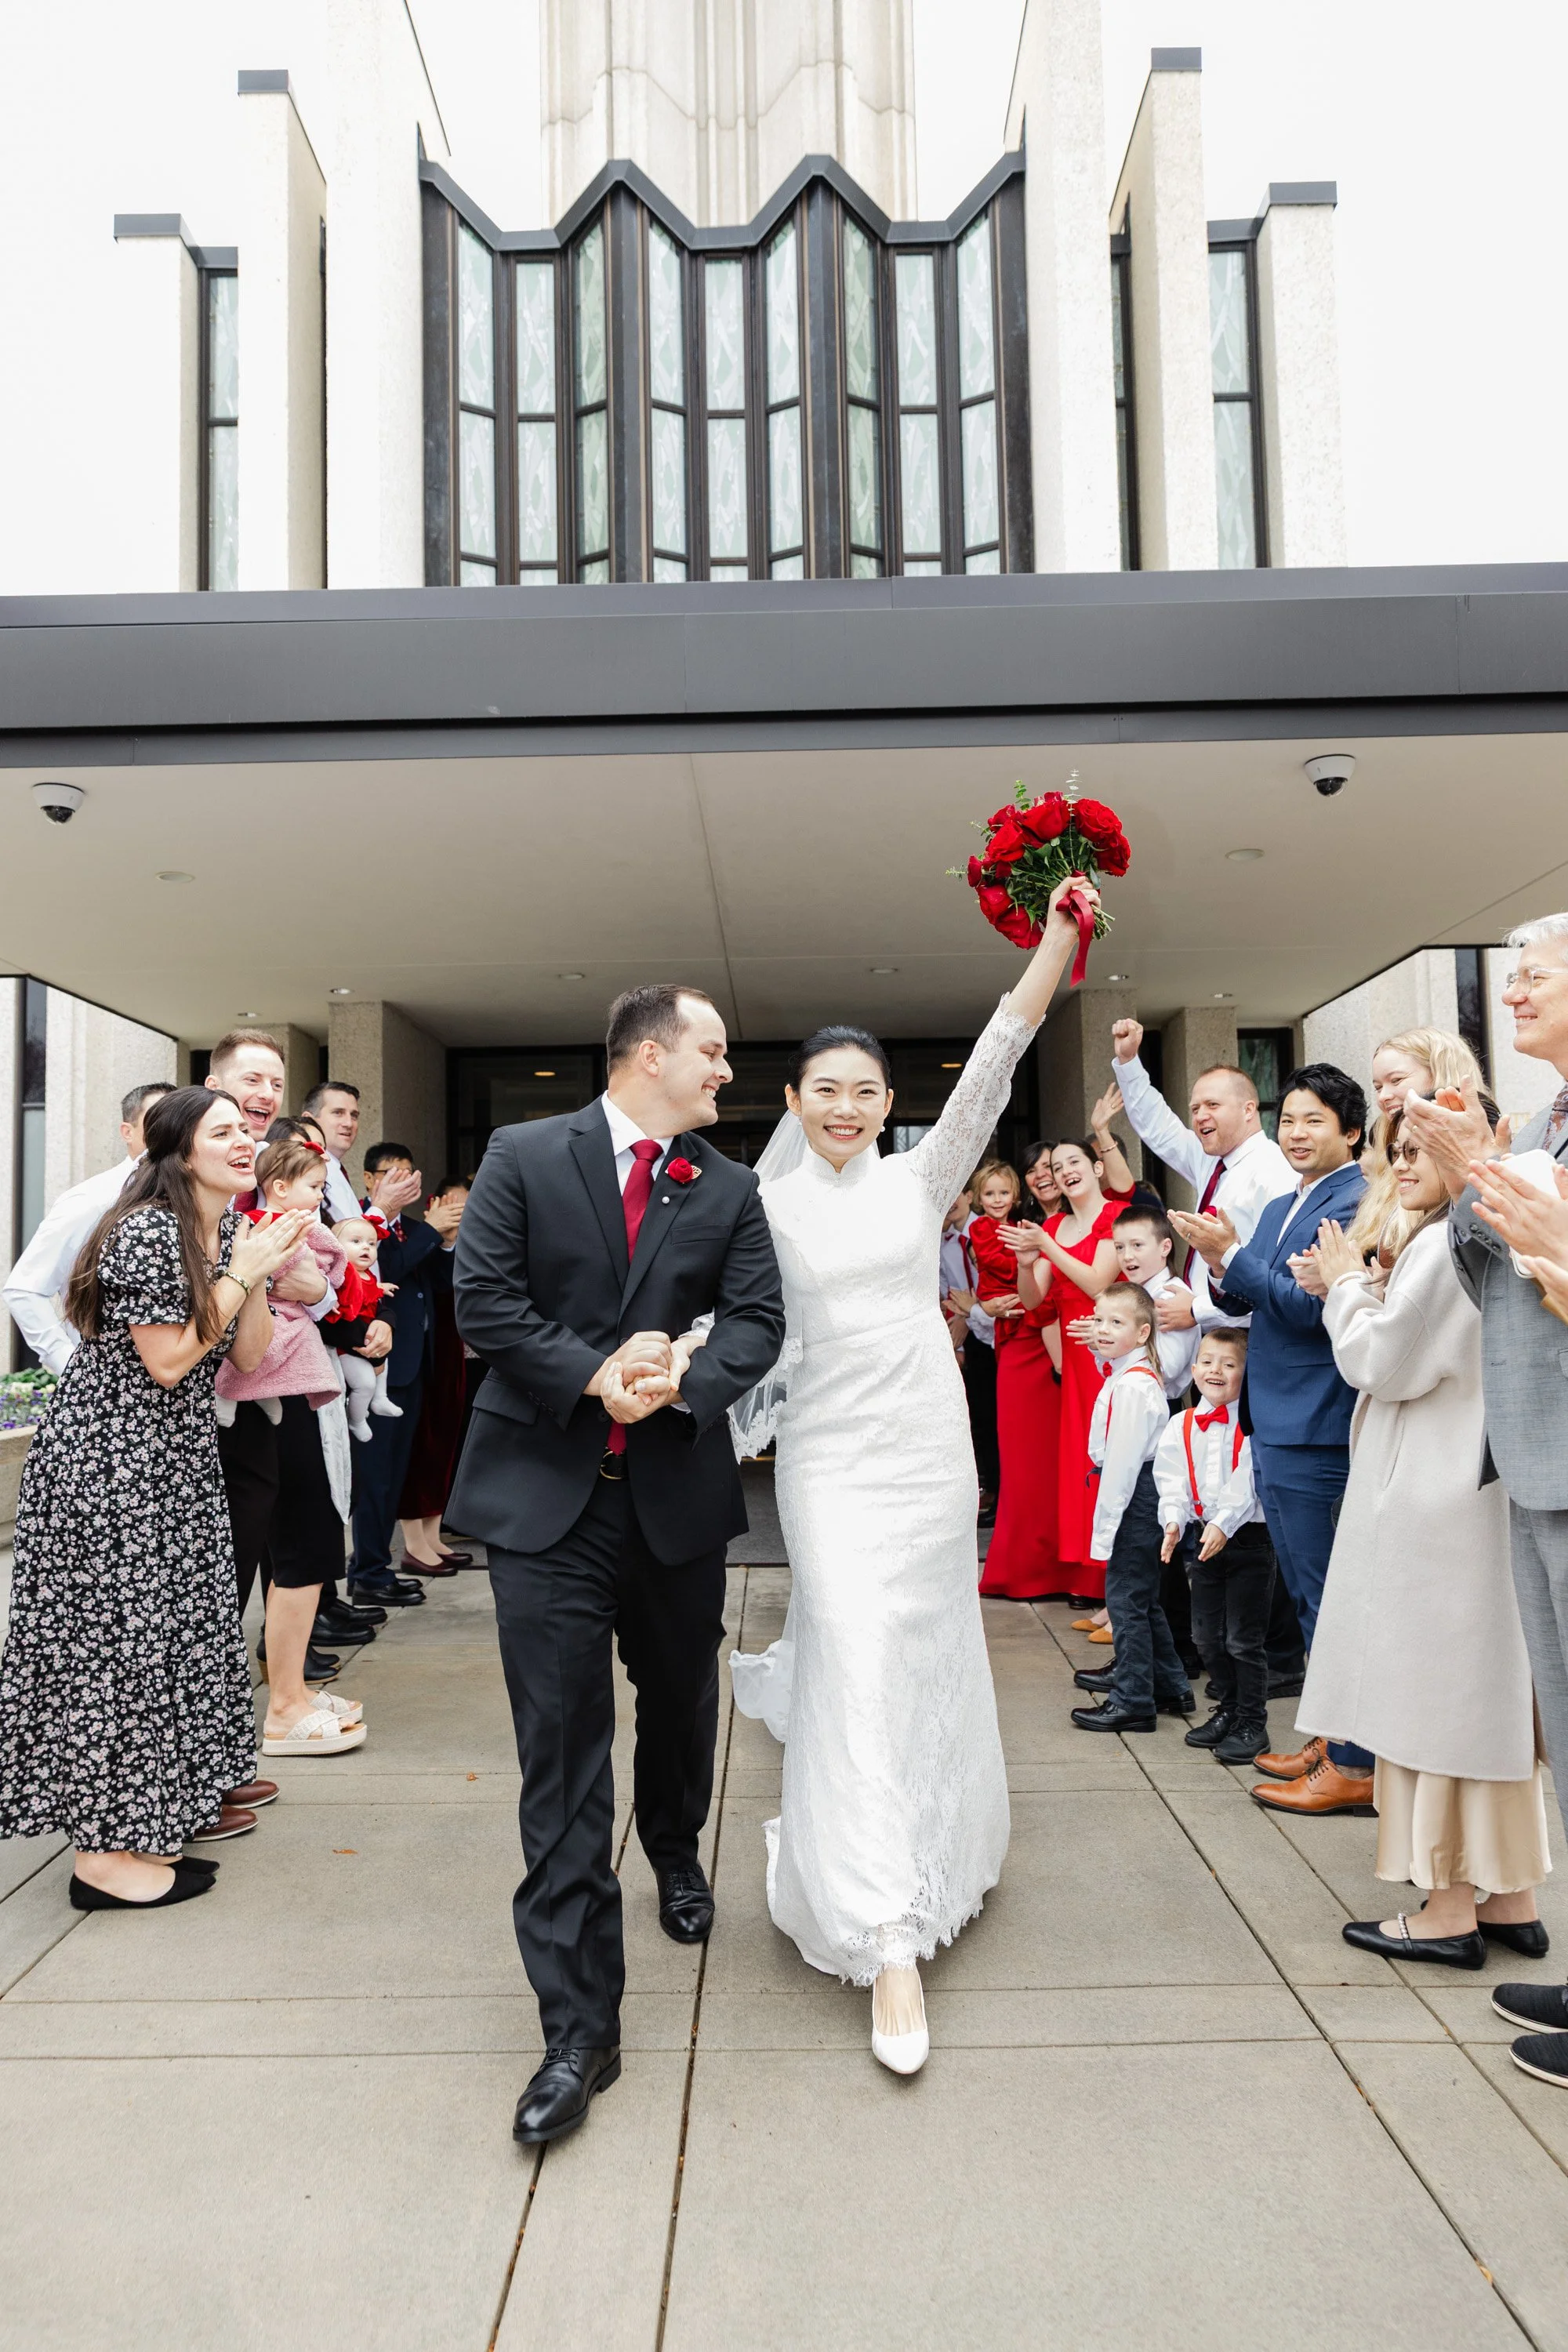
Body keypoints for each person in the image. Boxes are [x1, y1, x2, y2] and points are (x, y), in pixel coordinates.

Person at [728, 875, 1098, 2076]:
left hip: (931, 1461)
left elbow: (1002, 1050)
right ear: (792, 1102)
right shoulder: (761, 1207)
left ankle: (938, 1851)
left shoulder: (919, 1178)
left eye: (865, 1092)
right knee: (852, 1646)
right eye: (823, 1091)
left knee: (926, 1654)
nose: (845, 1108)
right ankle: (884, 1926)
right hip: (829, 1465)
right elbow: (729, 1327)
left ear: (889, 1103)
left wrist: (1057, 942)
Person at [448, 983, 786, 2146]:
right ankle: (579, 2032)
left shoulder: (729, 1186)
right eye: (712, 1053)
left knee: (682, 1703)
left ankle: (675, 1847)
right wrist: (599, 1375)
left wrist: (680, 1386)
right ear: (650, 1054)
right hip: (542, 1501)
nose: (722, 1073)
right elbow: (483, 1304)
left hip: (675, 1499)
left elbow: (755, 1321)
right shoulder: (525, 1153)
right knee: (561, 1755)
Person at [0, 1089, 309, 1907]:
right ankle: (100, 1863)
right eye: (224, 1133)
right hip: (108, 1465)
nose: (246, 1144)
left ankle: (153, 1815)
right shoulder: (143, 1233)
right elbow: (169, 1361)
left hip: (170, 1460)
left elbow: (246, 1353)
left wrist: (256, 1268)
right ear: (178, 1153)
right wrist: (242, 1270)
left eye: (248, 1132)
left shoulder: (224, 1230)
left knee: (175, 1640)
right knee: (116, 1652)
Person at [1297, 1125, 1549, 1971]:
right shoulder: (1490, 1227)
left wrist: (1340, 1289)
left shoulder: (1448, 1242)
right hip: (1477, 1490)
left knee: (1426, 1705)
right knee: (1485, 1705)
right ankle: (1509, 1895)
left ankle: (1446, 1909)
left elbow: (1381, 1361)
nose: (1399, 1162)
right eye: (1392, 1148)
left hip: (1434, 1496)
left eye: (1416, 1146)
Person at [1403, 914, 1568, 2085]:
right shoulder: (1548, 1121)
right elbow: (1493, 1265)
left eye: (1534, 978)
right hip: (1535, 1447)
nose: (1510, 996)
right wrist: (1476, 1180)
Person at [1171, 1064, 1370, 1816]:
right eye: (1288, 1119)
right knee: (1311, 1591)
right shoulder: (1293, 1200)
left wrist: (1236, 1256)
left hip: (1317, 1422)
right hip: (1281, 1419)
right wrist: (1224, 1256)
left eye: (1313, 1120)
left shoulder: (1349, 1199)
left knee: (1327, 1599)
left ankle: (1354, 1760)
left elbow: (1303, 1309)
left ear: (1351, 1131)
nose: (1295, 1132)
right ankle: (1333, 1740)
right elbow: (1247, 1292)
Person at [213, 1135, 365, 1759]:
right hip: (242, 1401)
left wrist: (319, 1293)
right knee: (259, 1556)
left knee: (308, 1542)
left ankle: (290, 1691)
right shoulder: (202, 1221)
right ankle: (279, 1707)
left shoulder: (269, 1220)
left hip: (283, 1395)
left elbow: (333, 1291)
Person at [1000, 1134, 1131, 1599]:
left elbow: (1098, 1282)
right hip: (1076, 1357)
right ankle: (1086, 1576)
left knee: (1112, 1458)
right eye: (1056, 1168)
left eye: (1073, 1162)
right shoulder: (1053, 1226)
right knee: (1081, 1461)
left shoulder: (1115, 1218)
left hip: (1109, 1349)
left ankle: (1111, 1581)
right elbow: (1034, 1300)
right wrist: (1023, 1262)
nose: (1063, 1172)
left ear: (1096, 1169)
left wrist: (1046, 1247)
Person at [1109, 1023, 1295, 1326]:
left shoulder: (1275, 1172)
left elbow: (1277, 1278)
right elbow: (1159, 1128)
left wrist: (1200, 1310)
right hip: (1205, 1337)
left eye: (1212, 1105)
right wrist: (1130, 1062)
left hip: (1241, 1339)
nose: (1200, 1116)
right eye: (1195, 1109)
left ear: (1249, 1110)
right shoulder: (1213, 1160)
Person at [1069, 1284, 1191, 1734]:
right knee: (1142, 1598)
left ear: (1142, 1333)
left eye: (1115, 1323)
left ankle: (1134, 1700)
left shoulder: (1135, 1387)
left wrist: (1105, 1532)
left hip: (1137, 1495)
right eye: (1099, 1319)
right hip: (1138, 1492)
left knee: (1125, 1601)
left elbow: (1121, 1465)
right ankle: (1170, 1686)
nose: (1102, 1329)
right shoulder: (1126, 1373)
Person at [1156, 1327, 1273, 1764]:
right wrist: (1173, 1520)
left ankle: (1252, 1722)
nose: (1215, 1371)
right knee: (1207, 1637)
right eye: (1207, 1362)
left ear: (1247, 1372)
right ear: (1193, 1369)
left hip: (1248, 1541)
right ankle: (1227, 1709)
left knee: (1244, 1639)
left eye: (1228, 1364)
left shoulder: (1254, 1424)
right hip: (1203, 1539)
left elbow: (1248, 1483)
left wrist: (1224, 1523)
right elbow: (1172, 1479)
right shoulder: (1180, 1424)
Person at [3, 1080, 173, 1371]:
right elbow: (24, 1289)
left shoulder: (191, 1199)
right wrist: (69, 1365)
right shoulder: (92, 1199)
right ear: (127, 1132)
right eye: (157, 1122)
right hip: (107, 1391)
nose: (170, 1133)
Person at [348, 1142, 445, 1608]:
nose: (404, 1181)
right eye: (393, 1173)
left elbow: (434, 1286)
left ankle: (377, 1569)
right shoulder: (360, 1225)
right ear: (369, 1180)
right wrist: (433, 1234)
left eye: (410, 1172)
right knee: (375, 1476)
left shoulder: (414, 1229)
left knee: (396, 1473)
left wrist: (440, 1238)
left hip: (413, 1364)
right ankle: (366, 1570)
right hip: (378, 1366)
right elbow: (385, 1271)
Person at [971, 1161, 1062, 1600]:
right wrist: (1035, 1258)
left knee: (1046, 1450)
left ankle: (1051, 1560)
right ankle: (1020, 1562)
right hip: (1013, 1334)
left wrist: (1038, 1257)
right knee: (1018, 1449)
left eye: (1003, 1193)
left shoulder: (1032, 1227)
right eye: (989, 1195)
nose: (997, 1201)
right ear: (977, 1198)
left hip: (1041, 1329)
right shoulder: (983, 1232)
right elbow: (1000, 1266)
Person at [1345, 1029, 1491, 1265]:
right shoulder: (1383, 1152)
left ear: (1440, 1075)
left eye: (1396, 1081)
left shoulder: (1477, 1155)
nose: (1383, 1096)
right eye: (1378, 1087)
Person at [397, 1177, 477, 1574]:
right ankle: (413, 1542)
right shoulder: (409, 1234)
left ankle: (432, 1535)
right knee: (420, 1446)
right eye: (456, 1204)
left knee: (443, 1442)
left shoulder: (463, 1238)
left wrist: (449, 1242)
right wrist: (436, 1234)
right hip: (417, 1356)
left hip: (449, 1356)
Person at [938, 1180, 1000, 1516]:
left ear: (970, 1196)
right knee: (976, 1412)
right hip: (969, 1333)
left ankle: (998, 1488)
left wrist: (970, 1310)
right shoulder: (947, 1242)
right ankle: (988, 1486)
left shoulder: (986, 1231)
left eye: (956, 1194)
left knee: (995, 1413)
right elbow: (947, 1289)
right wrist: (959, 1318)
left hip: (993, 1327)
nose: (950, 1203)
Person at [329, 1218, 401, 1438]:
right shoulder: (341, 1274)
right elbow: (350, 1297)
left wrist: (380, 1288)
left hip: (368, 1340)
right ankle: (357, 1420)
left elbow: (370, 1294)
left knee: (384, 1365)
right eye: (356, 1241)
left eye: (371, 1244)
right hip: (349, 1347)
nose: (365, 1247)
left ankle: (380, 1399)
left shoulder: (369, 1275)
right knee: (365, 1383)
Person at [301, 1079, 365, 1223]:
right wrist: (382, 1206)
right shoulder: (302, 1168)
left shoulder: (337, 1167)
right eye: (338, 1113)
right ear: (308, 1120)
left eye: (354, 1115)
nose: (349, 1123)